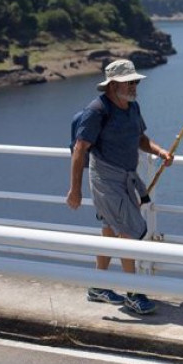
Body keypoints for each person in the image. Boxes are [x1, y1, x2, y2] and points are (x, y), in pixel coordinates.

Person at [66, 59, 174, 315]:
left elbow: (140, 138)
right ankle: (134, 292)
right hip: (105, 179)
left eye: (135, 81)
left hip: (126, 176)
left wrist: (159, 151)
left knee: (111, 231)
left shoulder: (132, 107)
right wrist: (76, 190)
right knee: (127, 230)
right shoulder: (97, 111)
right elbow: (80, 150)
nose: (135, 86)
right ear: (113, 85)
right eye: (130, 82)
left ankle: (97, 286)